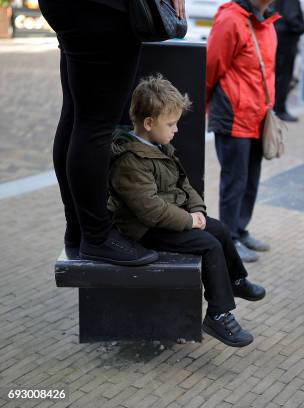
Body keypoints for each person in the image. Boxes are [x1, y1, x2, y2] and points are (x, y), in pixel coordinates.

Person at [107, 75, 266, 347]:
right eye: (171, 124)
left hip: (167, 218)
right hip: (143, 230)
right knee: (208, 245)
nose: (176, 129)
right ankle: (218, 314)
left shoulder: (159, 146)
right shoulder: (130, 161)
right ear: (148, 124)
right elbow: (150, 211)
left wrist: (196, 210)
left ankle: (236, 279)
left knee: (219, 229)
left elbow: (184, 182)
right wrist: (188, 220)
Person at [38, 0, 185, 266]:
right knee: (96, 124)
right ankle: (96, 237)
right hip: (106, 9)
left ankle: (79, 230)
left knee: (78, 116)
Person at [206, 0, 279, 263]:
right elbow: (211, 67)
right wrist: (203, 108)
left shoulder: (268, 21)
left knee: (250, 180)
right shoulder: (231, 19)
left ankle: (239, 229)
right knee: (234, 181)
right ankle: (228, 240)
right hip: (233, 114)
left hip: (258, 115)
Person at [273, 0, 304, 122]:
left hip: (281, 37)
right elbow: (290, 16)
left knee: (279, 75)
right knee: (284, 76)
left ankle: (276, 108)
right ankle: (279, 109)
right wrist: (300, 28)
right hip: (287, 40)